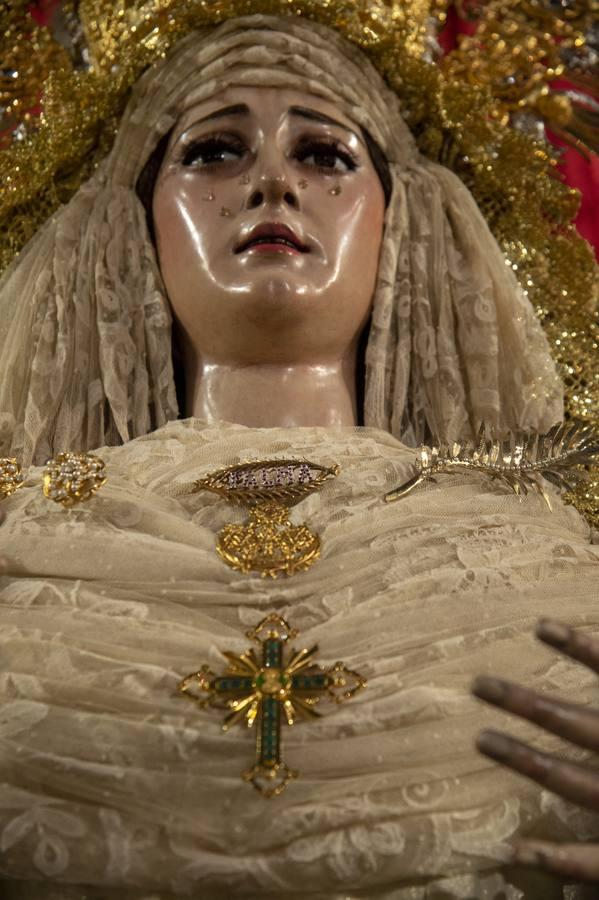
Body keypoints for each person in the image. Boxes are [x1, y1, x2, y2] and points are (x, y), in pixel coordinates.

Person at [0, 11, 598, 900]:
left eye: (324, 155)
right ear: (127, 226)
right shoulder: (21, 538)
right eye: (212, 152)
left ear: (406, 224)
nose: (272, 182)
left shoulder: (555, 552)